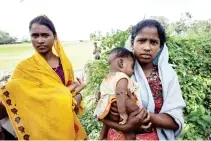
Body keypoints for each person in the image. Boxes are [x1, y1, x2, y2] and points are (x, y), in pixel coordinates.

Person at [0, 15, 88, 140]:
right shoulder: (24, 69)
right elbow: (19, 98)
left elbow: (69, 97)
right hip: (38, 129)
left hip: (62, 124)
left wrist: (78, 96)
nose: (40, 40)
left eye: (45, 35)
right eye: (35, 35)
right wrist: (73, 94)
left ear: (55, 37)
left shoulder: (65, 66)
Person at [100, 19, 186, 140]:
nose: (147, 47)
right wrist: (124, 126)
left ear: (160, 47)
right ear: (132, 43)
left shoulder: (168, 76)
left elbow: (174, 120)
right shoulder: (119, 73)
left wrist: (141, 114)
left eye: (153, 42)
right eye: (141, 41)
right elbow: (102, 111)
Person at [94, 47, 146, 140]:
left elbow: (101, 93)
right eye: (132, 66)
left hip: (107, 110)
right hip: (118, 106)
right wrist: (123, 113)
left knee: (105, 125)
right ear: (121, 63)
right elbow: (120, 93)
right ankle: (133, 134)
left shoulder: (107, 77)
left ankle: (102, 136)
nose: (133, 71)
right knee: (137, 110)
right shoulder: (122, 77)